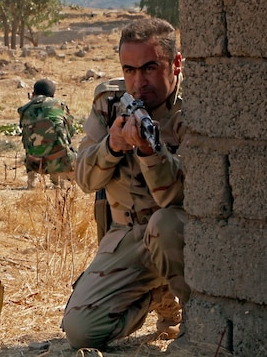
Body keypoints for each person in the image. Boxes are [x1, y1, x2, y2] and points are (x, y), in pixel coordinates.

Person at [61, 18, 189, 348]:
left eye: (149, 68)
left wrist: (150, 150)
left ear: (176, 64)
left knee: (165, 224)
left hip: (181, 237)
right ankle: (158, 295)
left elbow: (179, 195)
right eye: (129, 70)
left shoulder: (194, 111)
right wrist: (111, 147)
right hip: (128, 237)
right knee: (81, 331)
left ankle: (198, 319)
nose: (137, 82)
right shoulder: (110, 102)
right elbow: (84, 178)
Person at [17, 78, 76, 189]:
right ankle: (59, 180)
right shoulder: (59, 105)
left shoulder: (24, 110)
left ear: (33, 93)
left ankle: (32, 182)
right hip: (60, 162)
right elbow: (71, 131)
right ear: (52, 95)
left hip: (34, 163)